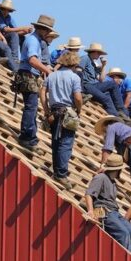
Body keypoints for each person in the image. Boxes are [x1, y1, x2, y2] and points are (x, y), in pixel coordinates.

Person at [83, 154, 131, 259]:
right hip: (105, 212)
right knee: (123, 233)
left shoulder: (113, 182)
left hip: (115, 212)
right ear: (118, 169)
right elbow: (88, 194)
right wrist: (91, 211)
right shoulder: (100, 177)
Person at [40, 51, 83, 189]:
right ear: (75, 63)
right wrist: (79, 110)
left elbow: (42, 91)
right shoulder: (74, 78)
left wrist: (46, 110)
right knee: (65, 144)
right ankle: (61, 174)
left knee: (56, 142)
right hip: (67, 112)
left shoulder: (52, 76)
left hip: (53, 112)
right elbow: (77, 97)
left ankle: (56, 171)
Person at [15, 15, 56, 149]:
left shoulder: (36, 40)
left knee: (31, 106)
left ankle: (30, 135)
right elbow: (32, 60)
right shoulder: (33, 41)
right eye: (47, 31)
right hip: (28, 75)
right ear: (42, 29)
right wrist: (48, 71)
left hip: (29, 75)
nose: (48, 34)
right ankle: (26, 136)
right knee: (31, 107)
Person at [80, 43, 128, 119]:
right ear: (94, 52)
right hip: (86, 85)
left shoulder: (93, 64)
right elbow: (78, 71)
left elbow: (101, 79)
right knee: (111, 87)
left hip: (93, 86)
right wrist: (80, 89)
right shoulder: (85, 58)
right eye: (99, 53)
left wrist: (103, 66)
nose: (99, 55)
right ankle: (120, 113)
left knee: (108, 95)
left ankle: (119, 116)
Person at [0, 0, 33, 69]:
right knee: (13, 34)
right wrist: (22, 28)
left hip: (5, 37)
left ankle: (25, 59)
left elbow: (16, 31)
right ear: (1, 9)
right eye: (4, 9)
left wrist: (26, 32)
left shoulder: (9, 17)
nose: (6, 12)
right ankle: (15, 58)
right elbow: (6, 29)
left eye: (8, 10)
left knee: (22, 38)